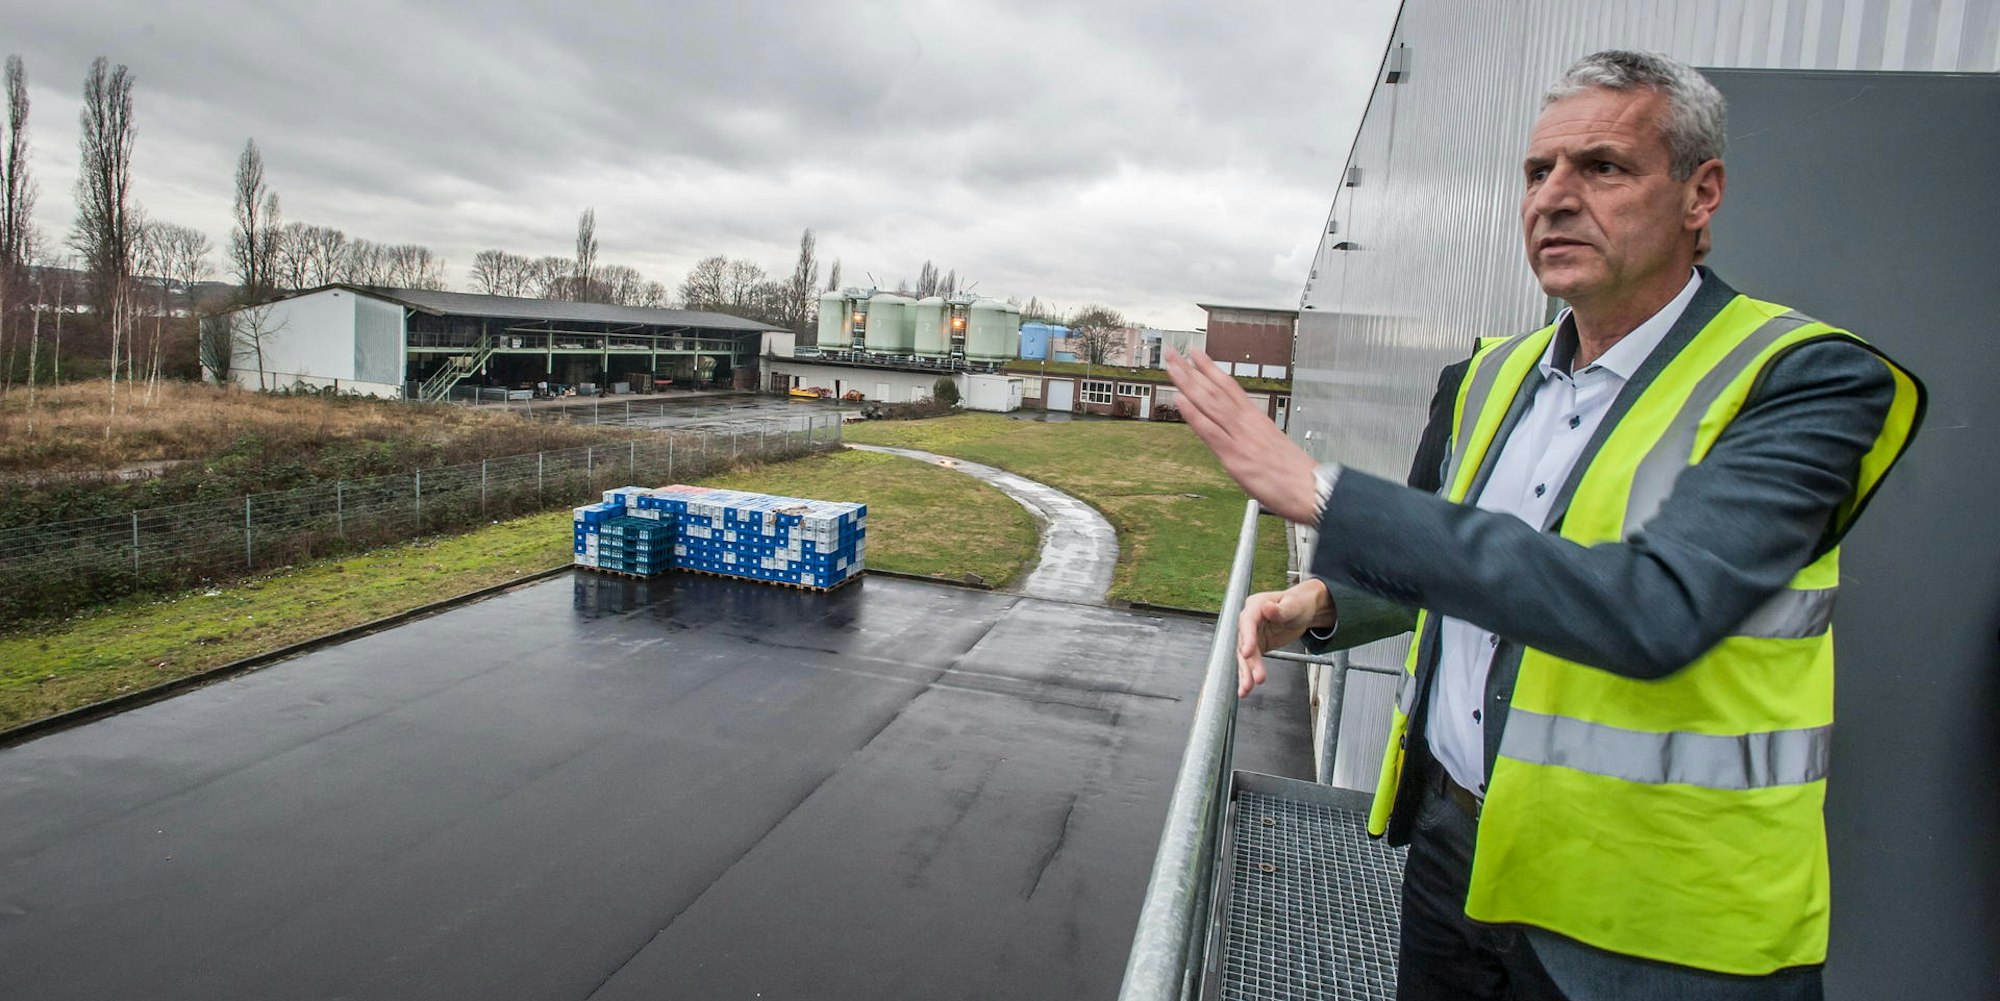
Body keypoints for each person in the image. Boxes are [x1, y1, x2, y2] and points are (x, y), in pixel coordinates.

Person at [1166, 50, 1925, 1001]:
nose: (1555, 198)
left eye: (1602, 167)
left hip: (1656, 925)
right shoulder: (1487, 376)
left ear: (1702, 194)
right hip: (1456, 859)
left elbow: (1655, 608)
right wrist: (1320, 602)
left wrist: (1321, 489)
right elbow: (1446, 559)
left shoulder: (1804, 380)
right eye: (1538, 172)